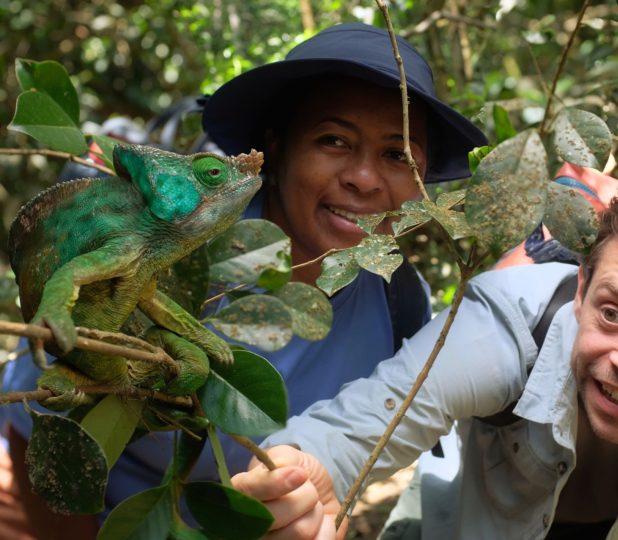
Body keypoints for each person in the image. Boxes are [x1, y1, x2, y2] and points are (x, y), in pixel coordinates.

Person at [0, 22, 486, 536]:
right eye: (333, 140)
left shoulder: (400, 302)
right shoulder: (182, 253)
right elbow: (36, 426)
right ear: (277, 147)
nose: (363, 178)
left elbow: (345, 464)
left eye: (398, 155)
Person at [232, 168, 618, 539]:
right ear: (580, 290)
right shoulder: (503, 327)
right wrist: (302, 474)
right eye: (613, 313)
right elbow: (365, 422)